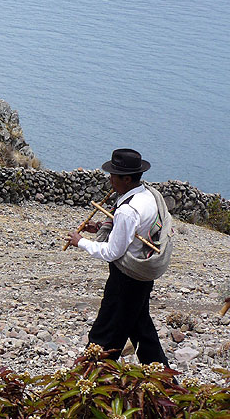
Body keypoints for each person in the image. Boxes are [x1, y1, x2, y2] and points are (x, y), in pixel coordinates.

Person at [66, 148, 173, 365]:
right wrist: (100, 228)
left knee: (105, 330)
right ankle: (165, 381)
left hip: (125, 278)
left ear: (126, 178)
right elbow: (133, 233)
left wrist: (81, 242)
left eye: (114, 175)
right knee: (141, 330)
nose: (110, 179)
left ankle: (91, 376)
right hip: (141, 279)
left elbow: (113, 252)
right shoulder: (148, 196)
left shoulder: (128, 209)